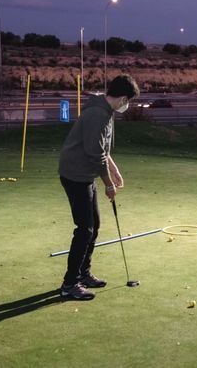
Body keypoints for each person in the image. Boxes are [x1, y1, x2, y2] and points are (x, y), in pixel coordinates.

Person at [58, 74, 140, 300]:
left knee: (94, 226)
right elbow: (96, 154)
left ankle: (83, 274)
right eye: (128, 101)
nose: (127, 105)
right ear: (123, 98)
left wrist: (115, 171)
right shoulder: (97, 115)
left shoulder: (106, 111)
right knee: (84, 229)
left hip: (85, 174)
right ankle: (69, 285)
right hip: (76, 175)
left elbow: (103, 149)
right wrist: (109, 184)